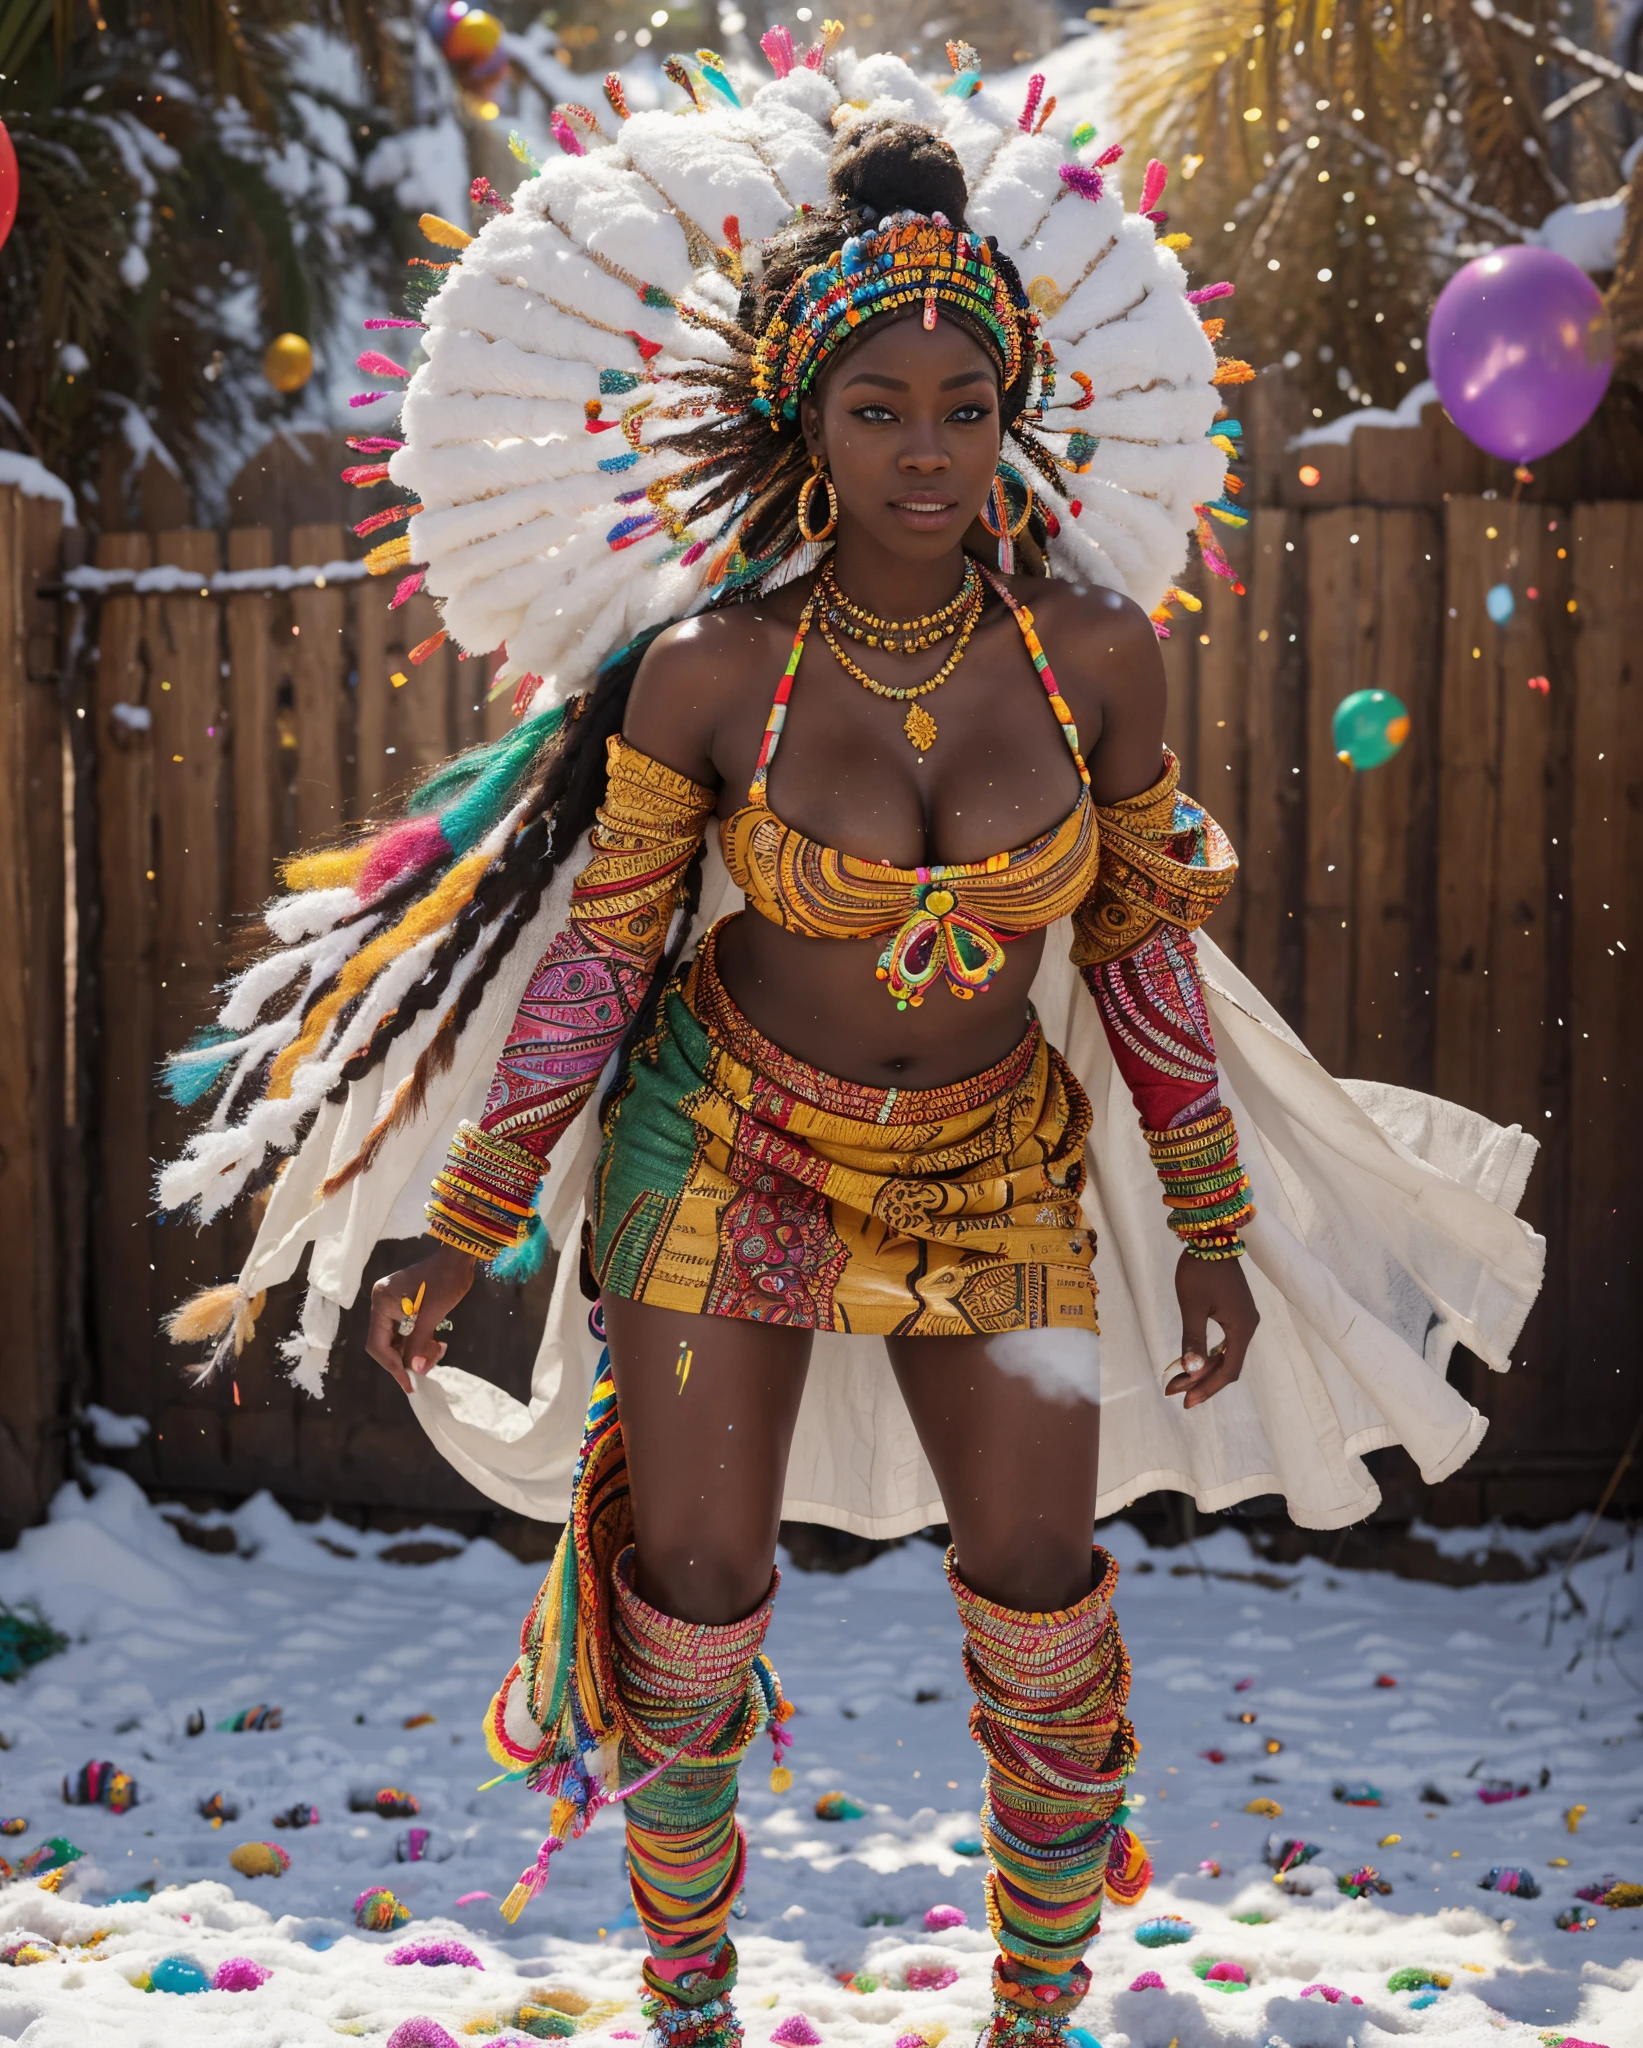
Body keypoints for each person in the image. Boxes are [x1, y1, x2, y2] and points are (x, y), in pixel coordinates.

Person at [159, 43, 1540, 2048]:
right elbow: (593, 966)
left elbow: (1143, 959)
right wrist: (462, 1229)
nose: (924, 445)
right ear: (805, 418)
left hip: (999, 1170)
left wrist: (1214, 1224)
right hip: (720, 1151)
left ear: (1016, 415)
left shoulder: (1094, 661)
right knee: (694, 1603)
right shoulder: (710, 673)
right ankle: (693, 2013)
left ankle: (1034, 2022)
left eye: (963, 404)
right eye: (878, 403)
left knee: (1046, 1593)